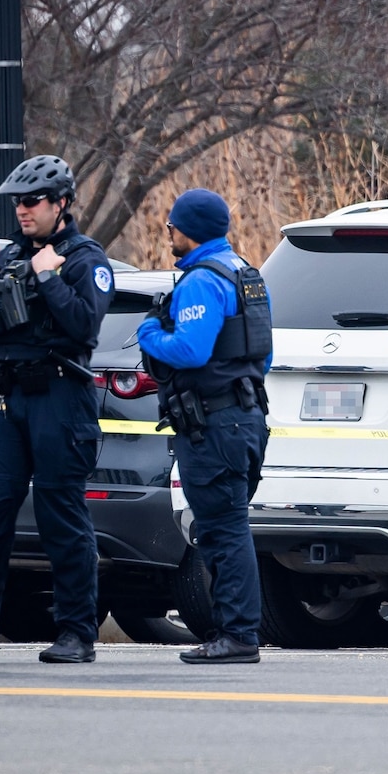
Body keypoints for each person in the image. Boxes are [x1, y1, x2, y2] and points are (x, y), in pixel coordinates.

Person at [0, 154, 113, 664]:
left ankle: (77, 632)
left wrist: (48, 278)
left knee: (60, 512)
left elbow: (84, 325)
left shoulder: (84, 259)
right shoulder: (8, 255)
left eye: (32, 201)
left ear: (61, 203)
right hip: (3, 398)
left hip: (58, 398)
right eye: (17, 202)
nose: (22, 210)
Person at [136, 188, 272, 664]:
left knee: (222, 531)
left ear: (188, 230)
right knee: (228, 527)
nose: (168, 234)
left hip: (213, 425)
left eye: (171, 226)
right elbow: (262, 356)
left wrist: (148, 333)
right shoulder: (245, 274)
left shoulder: (200, 281)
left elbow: (190, 350)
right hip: (246, 419)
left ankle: (238, 635)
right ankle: (234, 631)